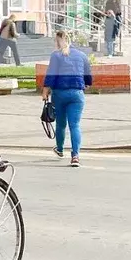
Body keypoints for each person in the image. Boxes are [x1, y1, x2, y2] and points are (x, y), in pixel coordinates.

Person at [42, 31, 93, 168]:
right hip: (77, 94)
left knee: (61, 124)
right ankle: (75, 156)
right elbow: (88, 74)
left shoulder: (56, 55)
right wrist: (86, 84)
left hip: (59, 93)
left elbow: (51, 74)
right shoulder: (82, 55)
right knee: (75, 125)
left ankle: (59, 149)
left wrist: (45, 90)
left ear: (58, 42)